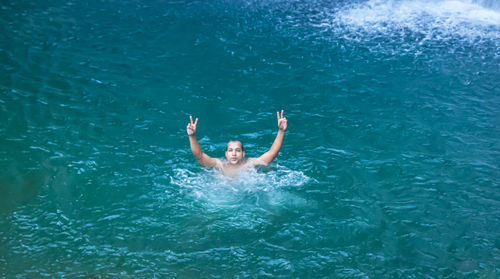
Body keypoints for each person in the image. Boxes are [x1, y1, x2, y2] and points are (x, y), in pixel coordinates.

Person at [187, 110, 288, 177]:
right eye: (230, 150)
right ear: (226, 154)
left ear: (243, 154)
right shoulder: (219, 165)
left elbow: (272, 152)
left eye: (238, 150)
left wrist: (281, 131)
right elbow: (199, 156)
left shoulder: (250, 164)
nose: (234, 154)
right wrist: (192, 136)